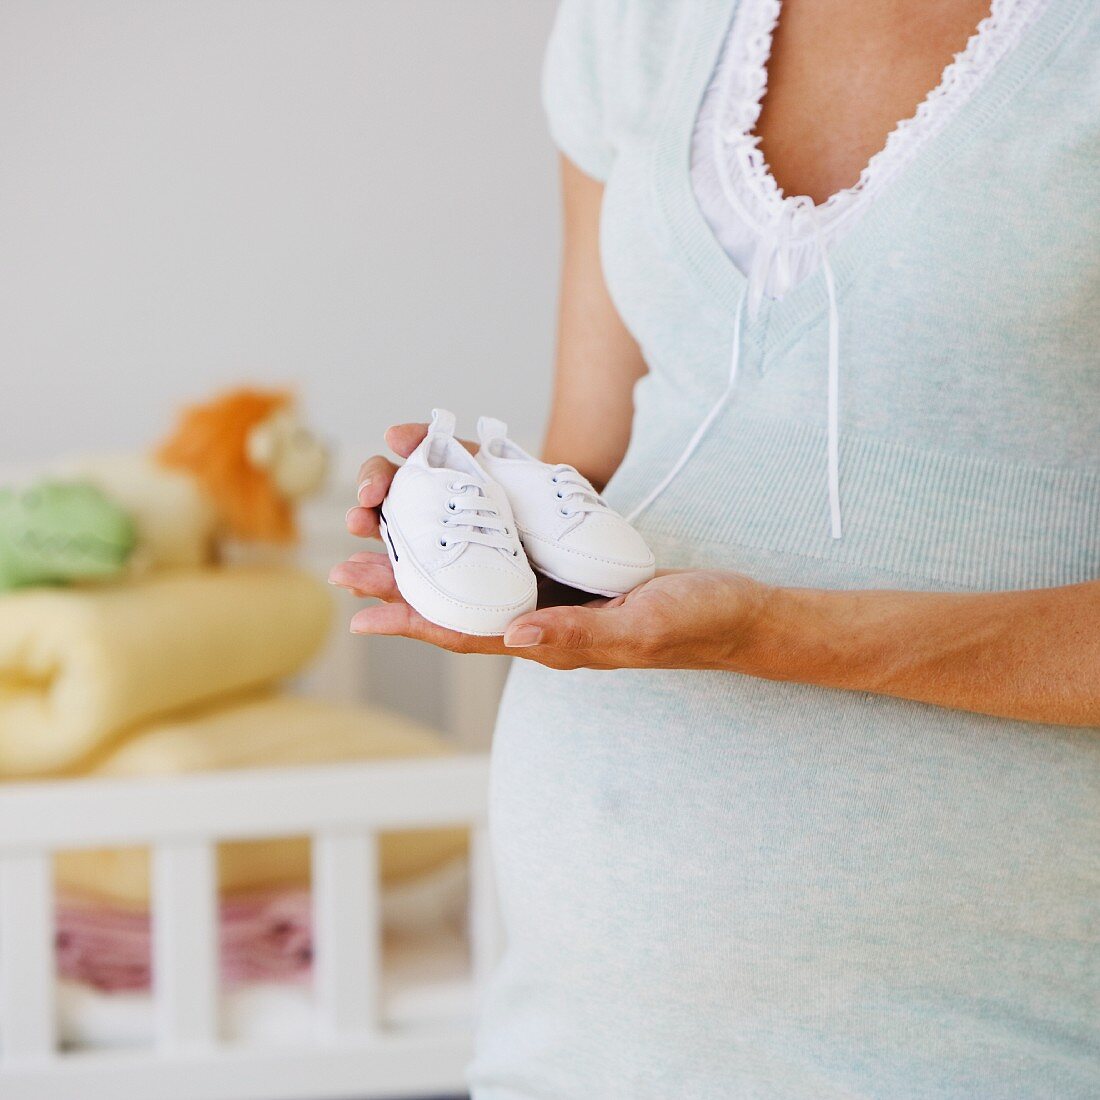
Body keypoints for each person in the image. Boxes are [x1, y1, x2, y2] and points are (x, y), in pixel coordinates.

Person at [331, 0, 1100, 1095]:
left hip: (1002, 1033)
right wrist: (478, 523)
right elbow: (586, 454)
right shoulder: (636, 22)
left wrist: (775, 633)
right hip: (584, 1042)